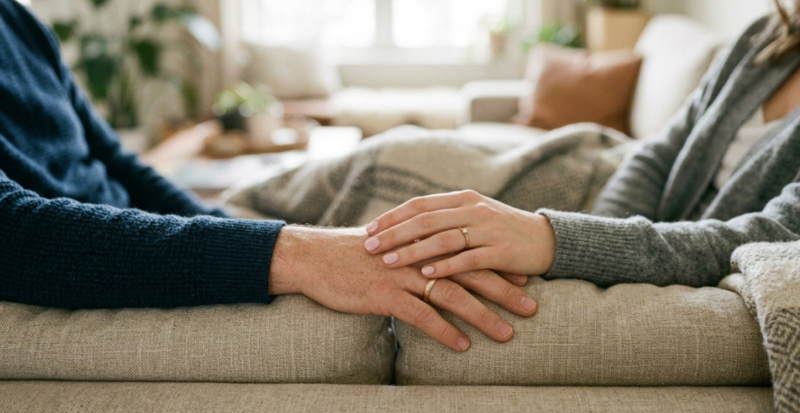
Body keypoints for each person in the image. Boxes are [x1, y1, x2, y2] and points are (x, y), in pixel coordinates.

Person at [0, 0, 538, 353]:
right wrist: (294, 253)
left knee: (396, 161)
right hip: (108, 264)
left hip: (160, 229)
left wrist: (234, 223)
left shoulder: (19, 22)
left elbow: (119, 163)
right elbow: (15, 236)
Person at [364, 1, 800, 289]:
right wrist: (597, 235)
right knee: (406, 155)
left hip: (660, 249)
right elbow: (657, 153)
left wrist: (560, 242)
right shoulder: (761, 39)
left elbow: (770, 239)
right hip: (608, 194)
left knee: (407, 181)